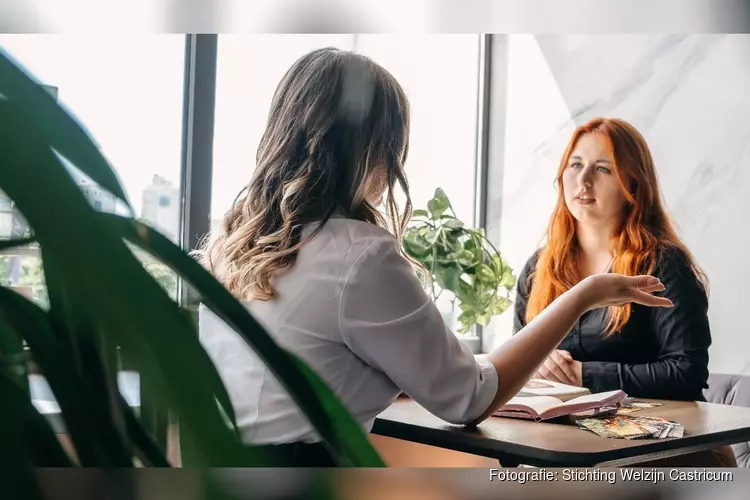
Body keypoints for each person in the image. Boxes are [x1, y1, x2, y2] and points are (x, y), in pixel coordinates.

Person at [195, 50, 671, 466]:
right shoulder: (360, 255)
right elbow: (468, 399)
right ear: (371, 149)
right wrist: (583, 297)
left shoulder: (231, 244)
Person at [512, 117, 735, 467]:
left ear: (633, 183)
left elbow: (685, 373)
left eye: (602, 169)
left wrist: (584, 375)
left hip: (663, 451)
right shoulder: (538, 268)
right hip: (571, 445)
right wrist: (538, 364)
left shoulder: (663, 263)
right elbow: (518, 365)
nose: (583, 181)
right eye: (575, 165)